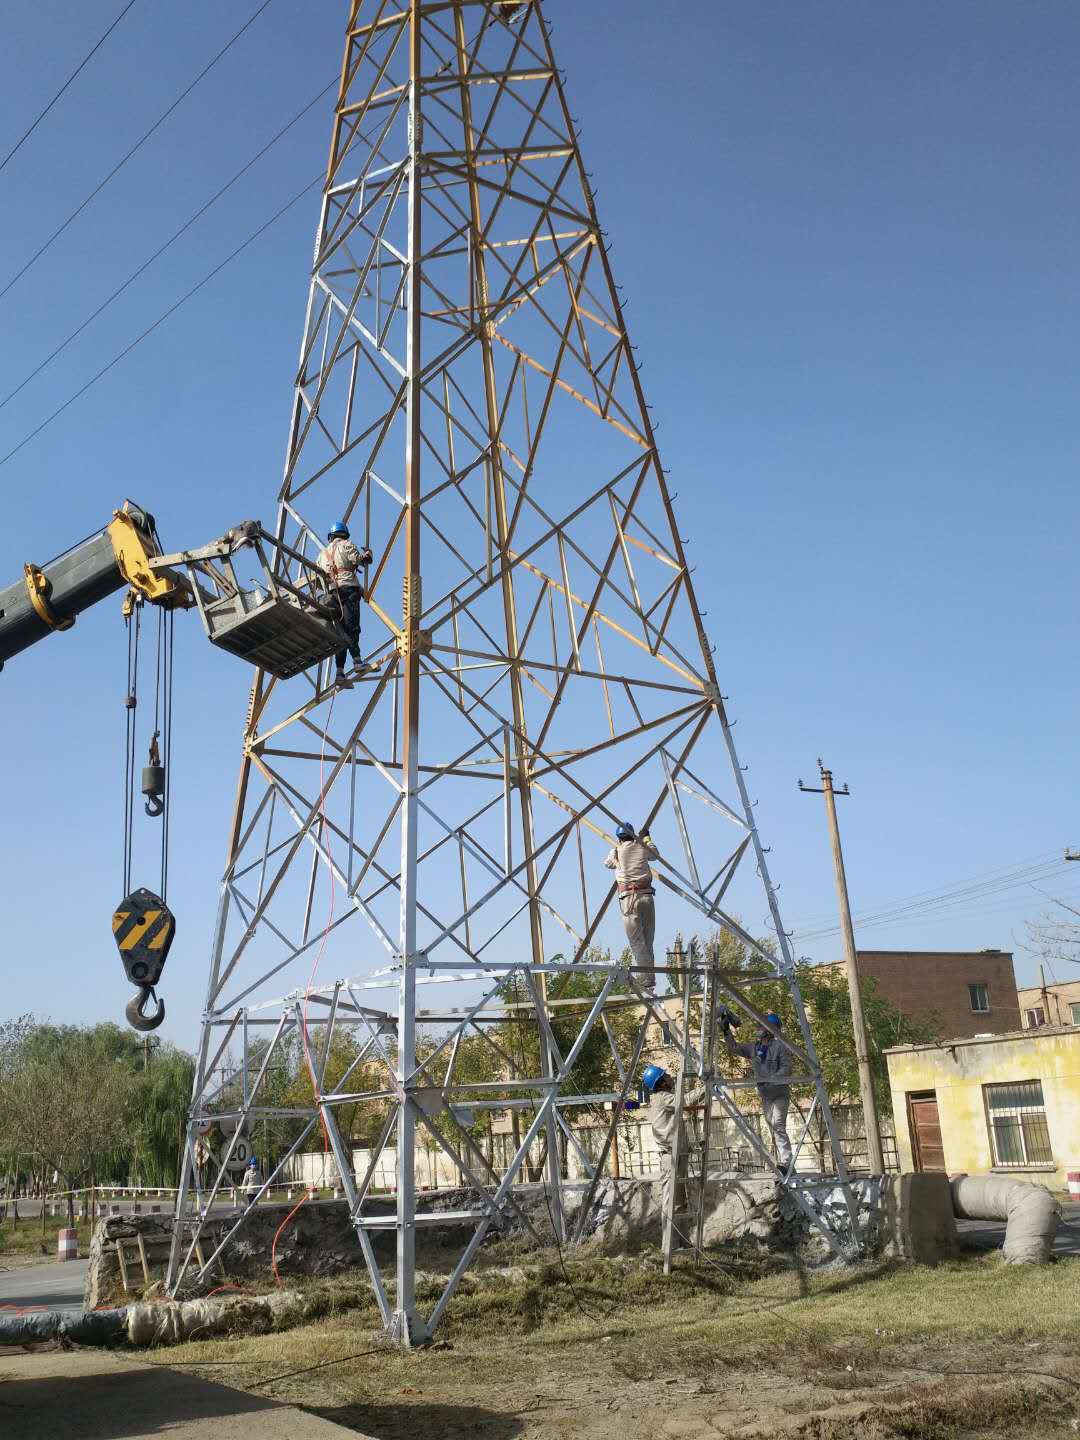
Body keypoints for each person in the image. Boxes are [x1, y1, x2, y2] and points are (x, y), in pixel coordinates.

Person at [725, 1011, 793, 1172]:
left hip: (780, 1093)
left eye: (762, 1026)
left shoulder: (780, 1047)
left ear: (771, 1029)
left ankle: (786, 1162)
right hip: (766, 1095)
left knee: (778, 1124)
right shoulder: (754, 1048)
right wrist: (726, 1030)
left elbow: (787, 1067)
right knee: (772, 1126)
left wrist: (773, 1078)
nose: (759, 1028)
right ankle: (785, 1165)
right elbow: (734, 1048)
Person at [640, 1062, 704, 1222]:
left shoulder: (663, 1098)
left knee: (679, 1204)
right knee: (671, 1204)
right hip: (671, 1157)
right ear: (662, 1082)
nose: (670, 1077)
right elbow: (686, 1100)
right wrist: (706, 1087)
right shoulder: (662, 1098)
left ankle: (681, 1237)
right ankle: (670, 1237)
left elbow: (674, 1127)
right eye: (666, 1075)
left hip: (677, 1155)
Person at [603, 821, 660, 991]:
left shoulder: (616, 851)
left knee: (637, 941)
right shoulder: (642, 846)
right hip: (647, 896)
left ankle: (646, 979)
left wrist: (618, 859)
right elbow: (655, 855)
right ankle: (649, 977)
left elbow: (607, 864)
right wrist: (646, 839)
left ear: (619, 838)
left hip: (629, 899)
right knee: (648, 939)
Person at [317, 521, 373, 685]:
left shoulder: (322, 554)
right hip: (348, 589)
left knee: (340, 632)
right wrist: (368, 554)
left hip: (332, 593)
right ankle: (357, 661)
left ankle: (340, 672)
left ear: (331, 536)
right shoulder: (347, 545)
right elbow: (361, 560)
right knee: (352, 626)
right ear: (344, 535)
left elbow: (318, 578)